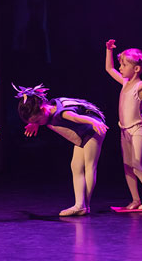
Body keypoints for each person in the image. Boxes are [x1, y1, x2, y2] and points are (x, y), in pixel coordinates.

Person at [13, 83, 107, 216]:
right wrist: (35, 123)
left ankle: (83, 205)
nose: (38, 124)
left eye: (37, 121)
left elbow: (76, 117)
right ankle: (81, 205)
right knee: (76, 166)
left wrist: (93, 122)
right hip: (83, 132)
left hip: (93, 128)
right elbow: (45, 117)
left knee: (89, 165)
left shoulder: (61, 114)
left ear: (42, 109)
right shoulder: (49, 107)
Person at [106, 39, 142, 210]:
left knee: (136, 164)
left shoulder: (141, 85)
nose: (120, 68)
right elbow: (109, 69)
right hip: (124, 131)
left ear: (136, 69)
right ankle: (136, 199)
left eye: (124, 65)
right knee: (127, 166)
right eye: (121, 64)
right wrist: (109, 50)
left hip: (137, 129)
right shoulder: (125, 82)